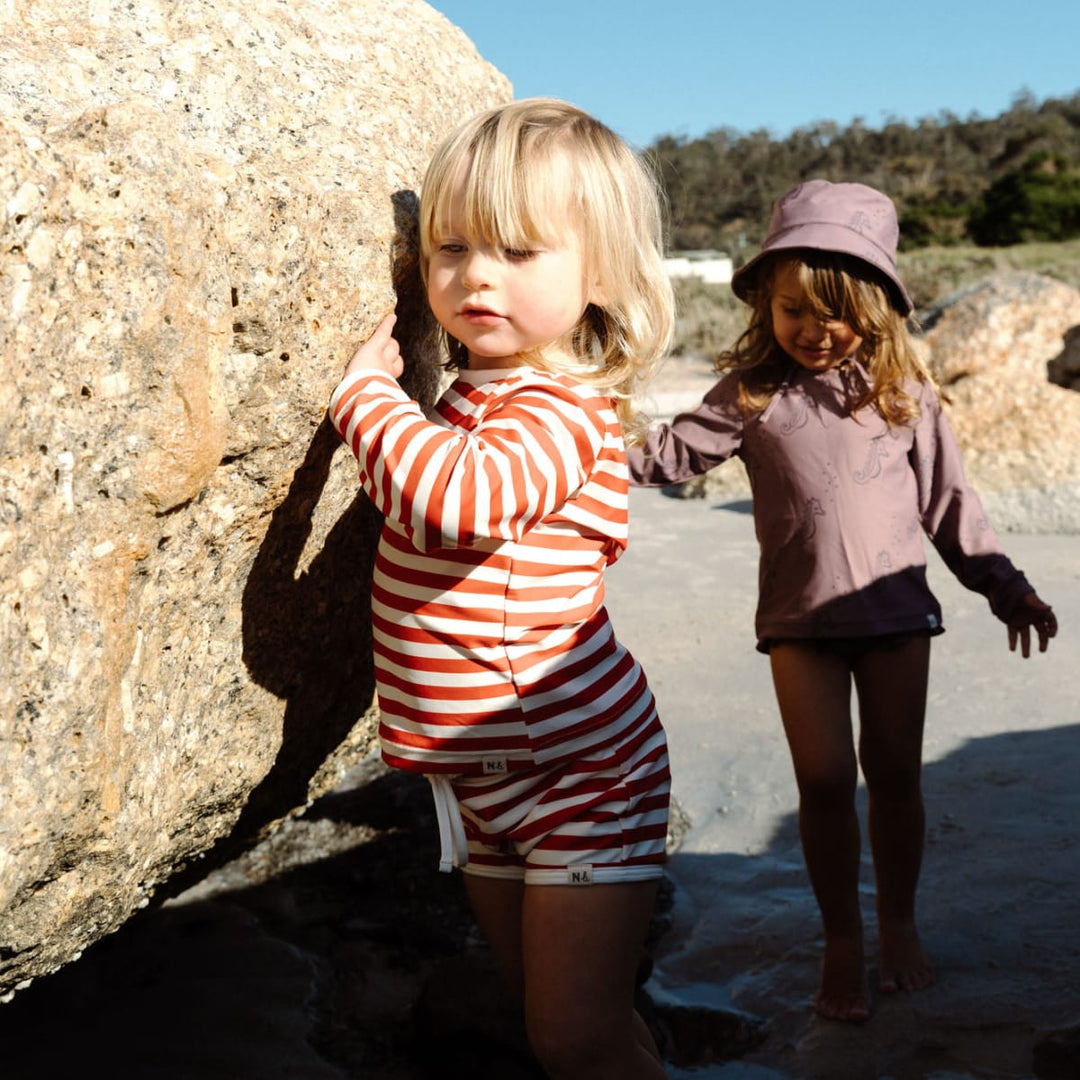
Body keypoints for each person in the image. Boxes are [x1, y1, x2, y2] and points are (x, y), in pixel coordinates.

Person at [627, 179, 1058, 1023]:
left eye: (834, 312)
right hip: (800, 625)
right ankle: (840, 939)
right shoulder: (751, 392)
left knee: (894, 776)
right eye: (793, 309)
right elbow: (668, 457)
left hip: (897, 623)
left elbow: (949, 506)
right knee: (823, 781)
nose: (813, 330)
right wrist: (562, 453)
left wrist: (1008, 591)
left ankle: (896, 924)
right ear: (767, 305)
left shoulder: (903, 394)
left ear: (875, 309)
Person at [329, 99, 675, 1078]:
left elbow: (462, 501)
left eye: (519, 252)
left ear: (600, 273)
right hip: (481, 777)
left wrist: (364, 398)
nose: (476, 273)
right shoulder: (474, 391)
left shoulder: (563, 408)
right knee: (563, 1019)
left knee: (574, 1035)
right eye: (451, 246)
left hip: (582, 777)